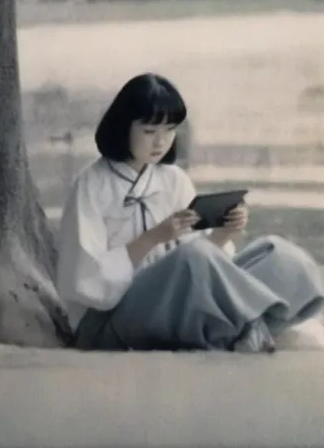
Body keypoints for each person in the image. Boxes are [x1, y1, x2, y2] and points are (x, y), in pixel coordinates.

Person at [55, 73, 324, 353]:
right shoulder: (90, 186)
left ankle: (249, 328)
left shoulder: (174, 180)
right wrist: (152, 238)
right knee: (192, 257)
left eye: (170, 130)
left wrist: (221, 235)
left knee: (276, 254)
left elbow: (202, 270)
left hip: (175, 304)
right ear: (123, 127)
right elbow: (83, 279)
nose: (161, 142)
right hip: (109, 321)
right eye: (149, 131)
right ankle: (253, 326)